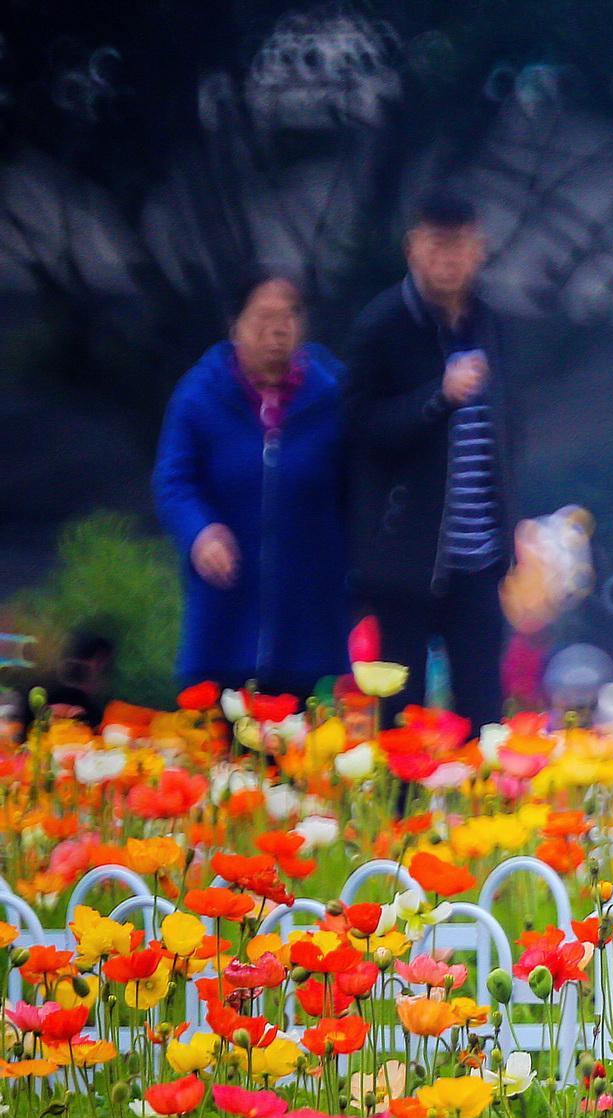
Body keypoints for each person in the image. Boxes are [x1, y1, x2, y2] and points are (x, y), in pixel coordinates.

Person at [343, 191, 518, 731]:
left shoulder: (491, 323)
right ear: (412, 249)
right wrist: (436, 397)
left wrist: (511, 532)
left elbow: (509, 435)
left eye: (460, 245)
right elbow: (360, 432)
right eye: (436, 245)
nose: (448, 258)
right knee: (404, 718)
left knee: (484, 716)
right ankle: (400, 817)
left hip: (479, 560)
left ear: (480, 250)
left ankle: (487, 815)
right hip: (406, 562)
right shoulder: (382, 325)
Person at [153, 271, 352, 696]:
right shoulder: (200, 394)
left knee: (302, 750)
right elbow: (175, 481)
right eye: (262, 317)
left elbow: (358, 485)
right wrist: (200, 533)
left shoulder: (333, 396)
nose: (276, 330)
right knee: (218, 747)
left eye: (288, 317)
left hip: (309, 617)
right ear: (236, 325)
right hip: (225, 617)